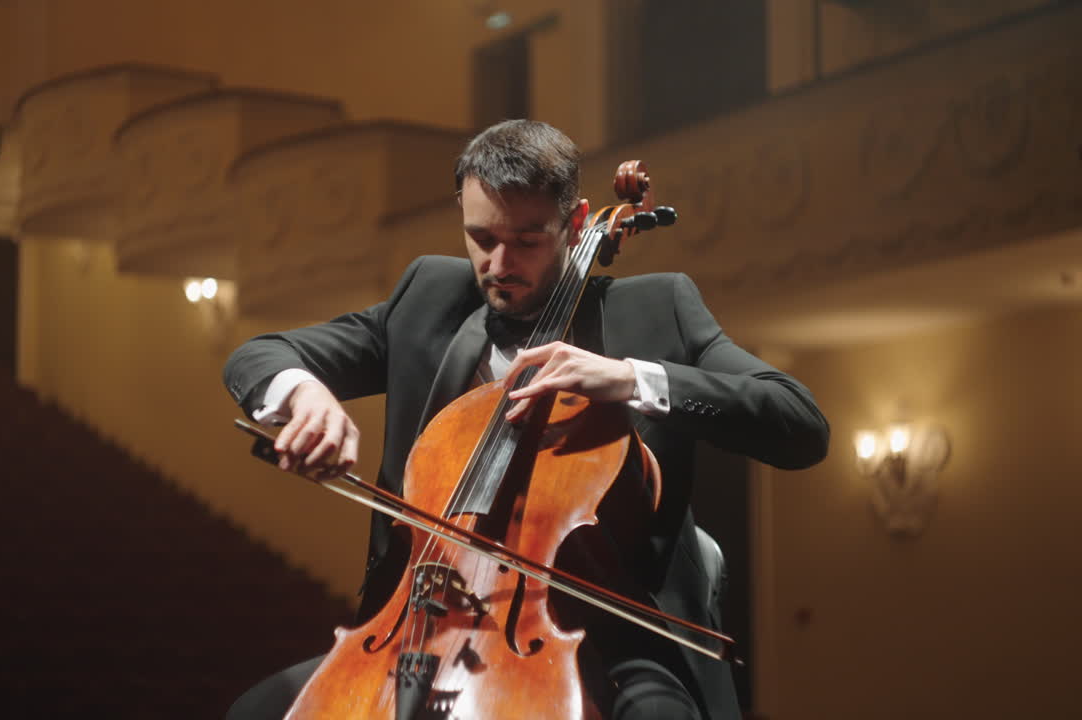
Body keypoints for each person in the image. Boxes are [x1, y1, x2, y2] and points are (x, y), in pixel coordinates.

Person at [222, 119, 829, 720]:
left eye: (528, 240)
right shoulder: (428, 297)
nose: (500, 262)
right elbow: (260, 355)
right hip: (420, 626)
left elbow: (799, 422)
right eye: (481, 237)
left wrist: (630, 378)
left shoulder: (658, 309)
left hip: (611, 641)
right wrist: (305, 395)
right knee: (255, 711)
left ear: (575, 220)